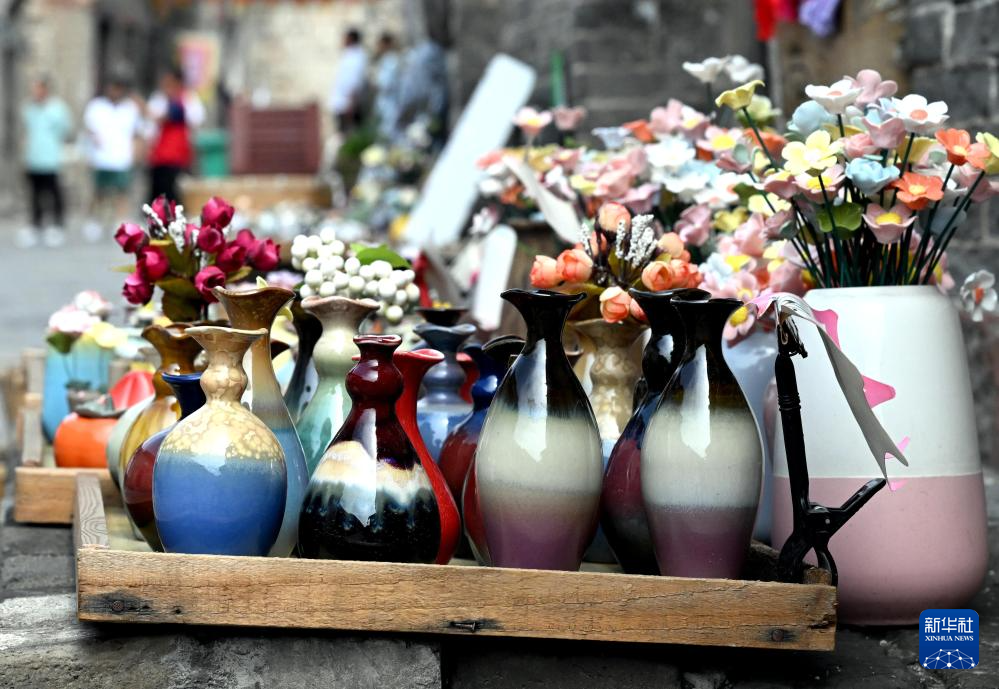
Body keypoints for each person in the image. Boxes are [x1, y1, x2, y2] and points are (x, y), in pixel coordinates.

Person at [81, 74, 144, 242]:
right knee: (99, 192)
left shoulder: (130, 108)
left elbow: (137, 132)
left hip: (122, 157)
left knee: (122, 192)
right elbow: (89, 129)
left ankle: (120, 221)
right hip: (101, 158)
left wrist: (137, 152)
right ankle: (94, 220)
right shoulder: (96, 107)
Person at [18, 77, 72, 248]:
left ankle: (57, 224)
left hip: (50, 158)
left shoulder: (57, 109)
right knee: (35, 193)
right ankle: (36, 224)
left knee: (53, 192)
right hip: (34, 158)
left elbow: (65, 130)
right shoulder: (28, 109)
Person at [146, 67, 204, 202]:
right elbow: (150, 127)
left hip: (178, 157)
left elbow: (194, 121)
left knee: (174, 197)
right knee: (157, 196)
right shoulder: (158, 99)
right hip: (159, 157)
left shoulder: (189, 100)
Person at [328, 29, 368, 135]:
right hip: (342, 102)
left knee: (349, 134)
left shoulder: (357, 57)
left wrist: (351, 102)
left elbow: (353, 81)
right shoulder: (349, 55)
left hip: (348, 103)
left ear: (351, 39)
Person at [373, 32, 402, 142]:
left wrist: (377, 85)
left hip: (391, 103)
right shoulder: (385, 61)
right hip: (385, 104)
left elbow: (387, 83)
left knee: (390, 134)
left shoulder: (391, 61)